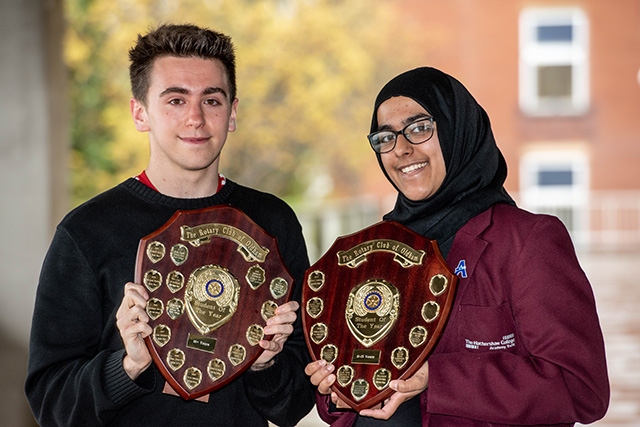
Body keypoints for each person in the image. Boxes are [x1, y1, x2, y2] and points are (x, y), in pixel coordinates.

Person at [25, 23, 315, 426]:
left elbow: (295, 406)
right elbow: (51, 405)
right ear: (140, 113)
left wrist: (264, 365)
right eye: (175, 100)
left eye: (211, 100)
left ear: (232, 113)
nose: (195, 118)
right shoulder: (87, 231)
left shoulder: (272, 222)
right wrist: (127, 365)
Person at [305, 67, 610, 426]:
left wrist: (435, 377)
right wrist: (335, 390)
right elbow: (349, 399)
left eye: (419, 128)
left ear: (456, 129)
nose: (401, 149)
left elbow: (580, 388)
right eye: (385, 137)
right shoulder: (373, 251)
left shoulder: (528, 241)